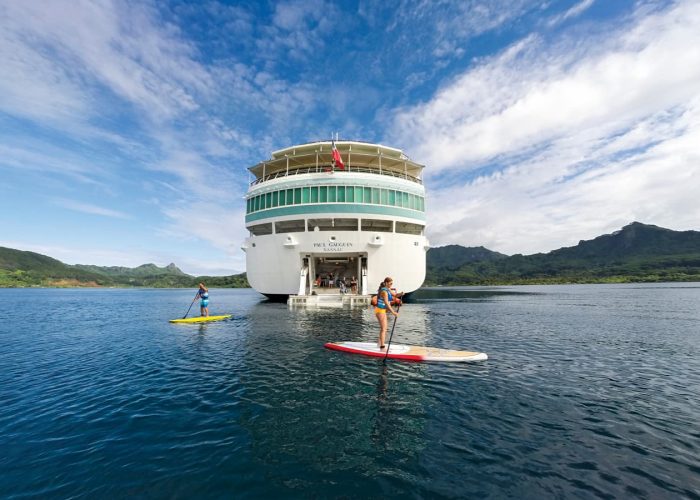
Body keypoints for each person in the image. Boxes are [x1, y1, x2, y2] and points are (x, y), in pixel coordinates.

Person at [375, 277, 399, 350]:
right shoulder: (384, 292)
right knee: (384, 329)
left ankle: (379, 344)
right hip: (380, 310)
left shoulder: (388, 289)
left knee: (384, 328)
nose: (391, 285)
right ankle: (382, 347)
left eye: (392, 283)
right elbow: (387, 304)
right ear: (386, 283)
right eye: (390, 283)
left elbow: (395, 295)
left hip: (382, 310)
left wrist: (401, 293)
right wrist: (393, 312)